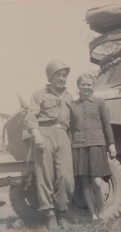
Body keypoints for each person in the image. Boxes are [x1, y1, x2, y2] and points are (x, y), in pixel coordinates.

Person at [24, 60, 74, 232]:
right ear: (50, 77)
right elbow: (30, 116)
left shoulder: (69, 96)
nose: (62, 78)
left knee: (66, 177)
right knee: (45, 176)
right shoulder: (39, 94)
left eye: (64, 75)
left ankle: (62, 215)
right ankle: (50, 216)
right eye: (58, 75)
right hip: (44, 134)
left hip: (63, 135)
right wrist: (37, 134)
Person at [70, 73, 117, 221]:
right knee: (85, 183)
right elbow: (71, 129)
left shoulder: (99, 102)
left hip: (96, 145)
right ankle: (93, 216)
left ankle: (102, 214)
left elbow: (106, 125)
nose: (86, 87)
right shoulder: (72, 106)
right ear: (78, 86)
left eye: (88, 84)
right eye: (83, 84)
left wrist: (112, 144)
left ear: (93, 86)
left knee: (97, 182)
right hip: (79, 147)